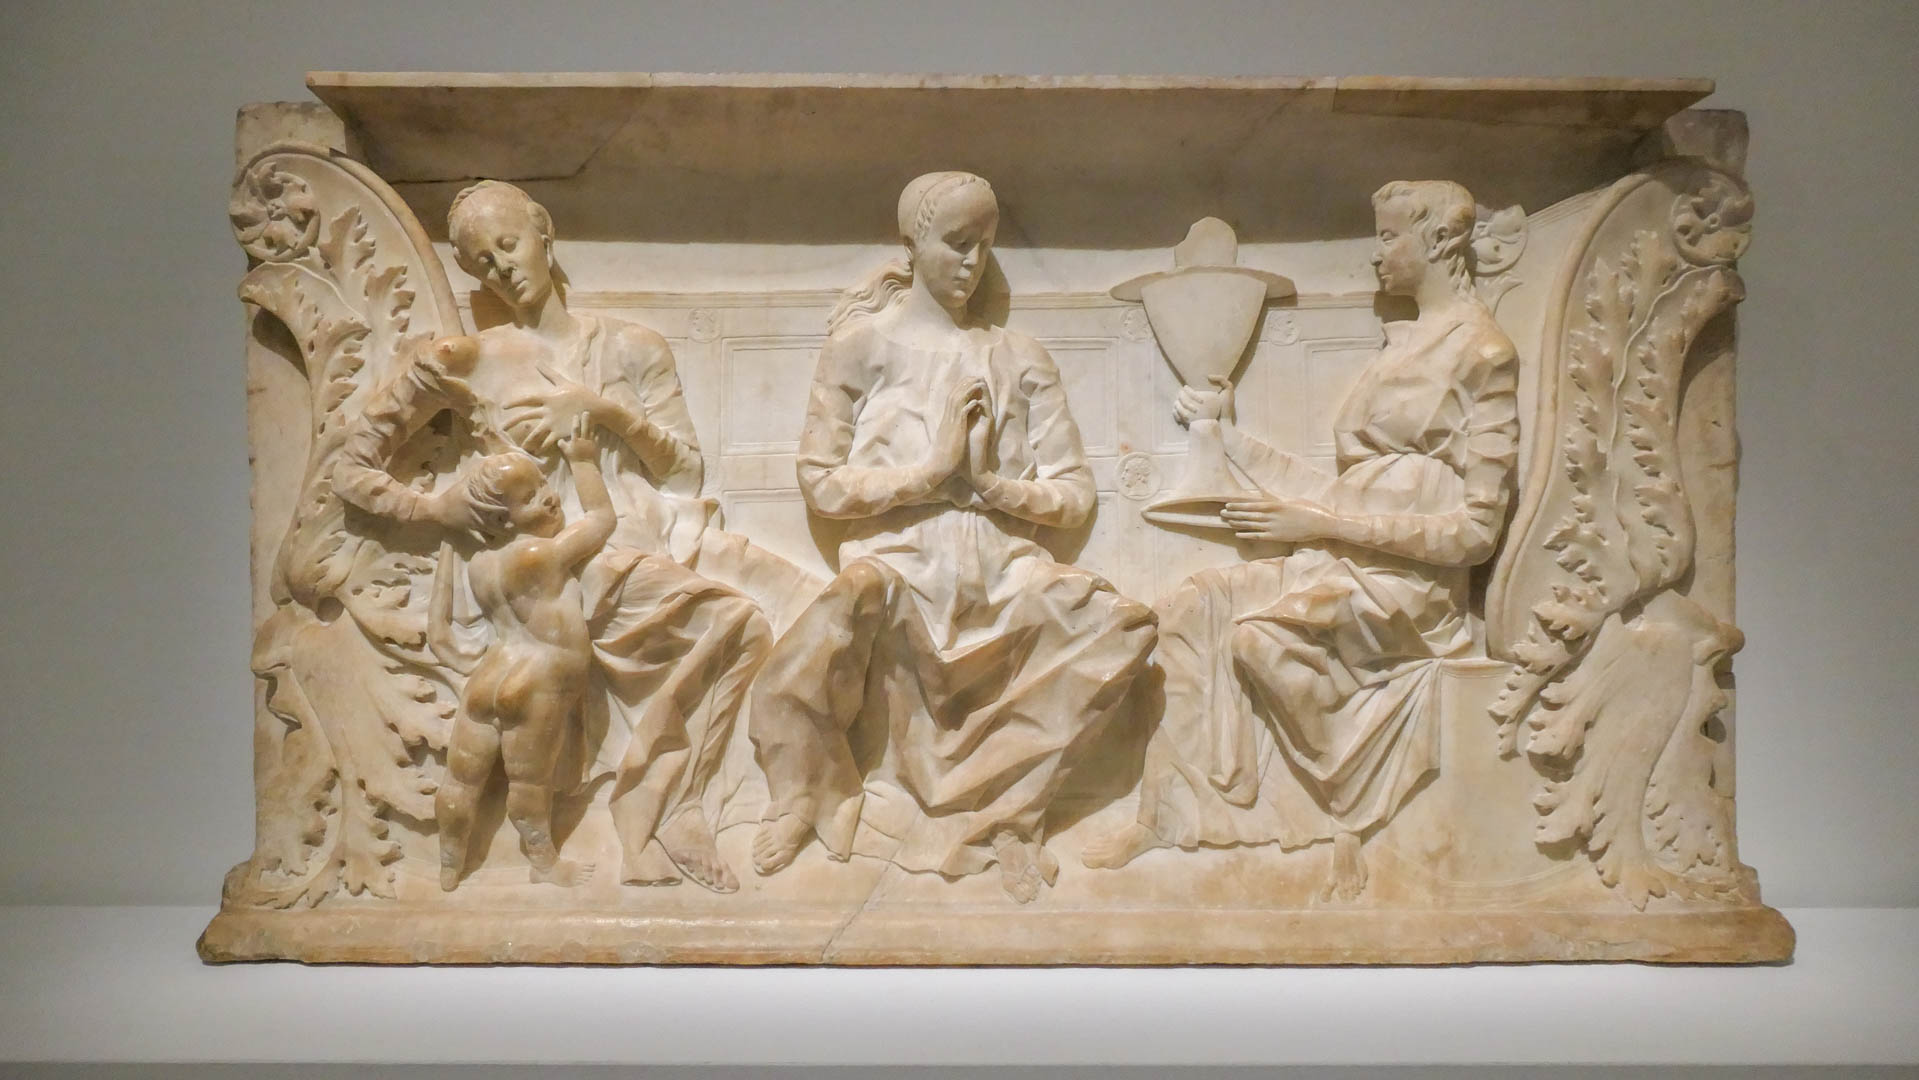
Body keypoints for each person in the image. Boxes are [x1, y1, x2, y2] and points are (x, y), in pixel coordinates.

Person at [334, 181, 816, 893]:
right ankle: (669, 805)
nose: (502, 268)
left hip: (650, 537)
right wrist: (435, 508)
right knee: (738, 622)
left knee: (799, 602)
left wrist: (602, 410)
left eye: (509, 245)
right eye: (482, 263)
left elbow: (684, 468)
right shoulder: (462, 360)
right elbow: (350, 468)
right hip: (552, 569)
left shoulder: (632, 347)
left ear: (545, 234)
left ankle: (726, 796)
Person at [1083, 180, 1521, 900]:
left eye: (1388, 237)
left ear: (1441, 240)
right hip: (1341, 558)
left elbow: (1475, 533)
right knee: (1190, 607)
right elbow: (1340, 489)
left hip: (1408, 587)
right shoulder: (1404, 344)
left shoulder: (1484, 353)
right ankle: (1165, 816)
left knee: (1261, 640)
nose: (1376, 254)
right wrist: (1227, 435)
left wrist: (1319, 526)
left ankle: (1343, 814)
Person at [745, 171, 1158, 903]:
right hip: (899, 562)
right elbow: (821, 482)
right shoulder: (859, 347)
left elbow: (1073, 494)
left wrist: (993, 487)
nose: (973, 262)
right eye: (957, 243)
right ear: (911, 244)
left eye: (986, 245)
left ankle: (1004, 817)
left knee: (1121, 627)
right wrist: (930, 474)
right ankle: (803, 794)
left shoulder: (1019, 356)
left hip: (1003, 569)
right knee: (833, 619)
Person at [429, 430, 612, 890]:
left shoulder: (480, 565)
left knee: (460, 781)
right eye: (529, 498)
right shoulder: (537, 554)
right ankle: (543, 864)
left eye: (543, 483)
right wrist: (583, 460)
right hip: (537, 680)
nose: (549, 498)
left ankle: (449, 863)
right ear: (501, 520)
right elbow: (600, 519)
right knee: (529, 784)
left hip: (489, 677)